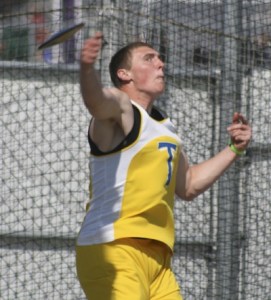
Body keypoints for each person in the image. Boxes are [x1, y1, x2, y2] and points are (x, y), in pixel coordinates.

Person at [76, 32, 252, 300]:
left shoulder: (165, 128)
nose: (161, 63)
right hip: (114, 248)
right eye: (149, 59)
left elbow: (189, 184)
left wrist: (233, 150)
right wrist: (87, 69)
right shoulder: (121, 109)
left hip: (158, 259)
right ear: (125, 74)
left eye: (159, 58)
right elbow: (98, 102)